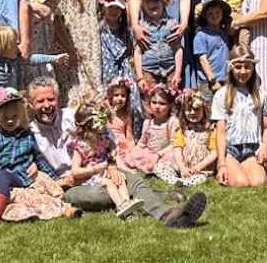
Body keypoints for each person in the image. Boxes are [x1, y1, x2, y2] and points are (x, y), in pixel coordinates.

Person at [26, 77, 207, 226]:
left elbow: (106, 133)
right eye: (40, 101)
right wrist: (65, 182)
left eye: (51, 99)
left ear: (58, 99)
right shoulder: (29, 134)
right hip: (68, 184)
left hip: (100, 170)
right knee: (99, 195)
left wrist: (112, 165)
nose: (47, 105)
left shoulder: (73, 116)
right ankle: (151, 195)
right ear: (32, 103)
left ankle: (168, 214)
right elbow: (38, 171)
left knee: (131, 178)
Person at [0, 86, 68, 227]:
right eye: (5, 118)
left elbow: (39, 160)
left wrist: (55, 179)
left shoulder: (27, 136)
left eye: (14, 117)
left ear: (21, 115)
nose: (9, 121)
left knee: (4, 174)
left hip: (19, 176)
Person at [212, 47, 267, 188]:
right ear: (231, 68)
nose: (243, 71)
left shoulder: (261, 94)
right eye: (238, 67)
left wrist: (264, 147)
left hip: (251, 149)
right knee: (241, 183)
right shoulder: (222, 95)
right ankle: (225, 169)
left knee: (258, 182)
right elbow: (220, 132)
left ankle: (244, 167)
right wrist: (221, 161)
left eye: (247, 67)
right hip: (230, 149)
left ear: (253, 68)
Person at [68, 100, 142, 218]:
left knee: (120, 179)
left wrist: (112, 151)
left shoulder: (102, 136)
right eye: (102, 123)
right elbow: (75, 172)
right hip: (91, 176)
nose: (105, 126)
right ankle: (121, 205)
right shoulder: (80, 146)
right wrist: (95, 169)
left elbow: (111, 144)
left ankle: (127, 204)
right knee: (109, 183)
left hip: (104, 171)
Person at [56, 0, 105, 104]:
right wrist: (70, 48)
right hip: (68, 43)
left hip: (92, 47)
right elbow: (57, 19)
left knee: (93, 96)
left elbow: (99, 16)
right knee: (71, 96)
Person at [154, 89, 218, 187]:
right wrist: (182, 167)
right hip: (184, 167)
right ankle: (176, 180)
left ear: (203, 111)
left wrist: (199, 167)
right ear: (183, 112)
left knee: (199, 178)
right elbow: (177, 149)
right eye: (188, 109)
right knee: (159, 167)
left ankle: (183, 182)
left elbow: (214, 153)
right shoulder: (182, 130)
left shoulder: (210, 130)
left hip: (201, 170)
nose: (192, 112)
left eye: (196, 109)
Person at [134, 0, 182, 92]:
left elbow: (178, 49)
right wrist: (140, 77)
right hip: (148, 71)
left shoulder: (172, 24)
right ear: (143, 5)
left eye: (156, 1)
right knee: (149, 103)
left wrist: (177, 73)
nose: (152, 4)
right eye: (148, 2)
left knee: (171, 101)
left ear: (163, 3)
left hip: (170, 70)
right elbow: (137, 52)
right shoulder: (141, 26)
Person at [125, 84, 180, 174]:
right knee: (133, 156)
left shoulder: (172, 122)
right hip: (150, 153)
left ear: (170, 105)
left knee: (172, 156)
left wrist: (158, 155)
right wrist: (133, 153)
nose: (157, 107)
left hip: (165, 153)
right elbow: (142, 142)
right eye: (154, 103)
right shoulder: (148, 122)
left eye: (162, 104)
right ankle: (152, 167)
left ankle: (159, 168)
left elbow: (174, 144)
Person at [192, 0, 231, 93]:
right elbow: (203, 59)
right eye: (210, 13)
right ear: (205, 16)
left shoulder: (224, 33)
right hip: (208, 81)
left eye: (217, 12)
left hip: (225, 79)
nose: (214, 16)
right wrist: (212, 80)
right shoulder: (201, 35)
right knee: (207, 106)